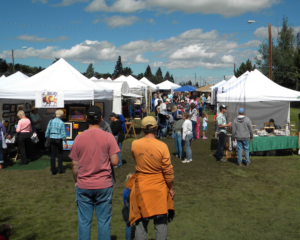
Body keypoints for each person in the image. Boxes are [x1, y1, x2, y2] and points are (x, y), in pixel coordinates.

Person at [69, 106, 120, 240]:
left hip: (84, 184)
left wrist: (76, 180)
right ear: (101, 118)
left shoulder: (79, 138)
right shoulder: (108, 137)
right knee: (103, 222)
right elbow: (115, 161)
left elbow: (74, 164)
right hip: (103, 184)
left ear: (86, 118)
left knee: (84, 222)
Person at [126, 116, 175, 240]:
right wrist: (171, 187)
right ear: (156, 128)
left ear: (142, 129)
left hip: (141, 188)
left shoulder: (135, 144)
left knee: (141, 224)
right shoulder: (162, 146)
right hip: (159, 188)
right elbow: (168, 171)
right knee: (161, 225)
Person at [45, 110, 68, 175]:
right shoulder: (61, 122)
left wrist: (46, 136)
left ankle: (53, 170)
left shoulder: (51, 121)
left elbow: (47, 130)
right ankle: (60, 168)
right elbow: (63, 134)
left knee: (53, 154)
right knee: (60, 153)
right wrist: (65, 142)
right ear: (61, 115)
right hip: (59, 139)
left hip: (52, 138)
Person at [122, 173, 133, 240]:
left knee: (128, 225)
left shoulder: (126, 190)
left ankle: (128, 238)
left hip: (127, 208)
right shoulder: (135, 189)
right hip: (134, 208)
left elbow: (124, 200)